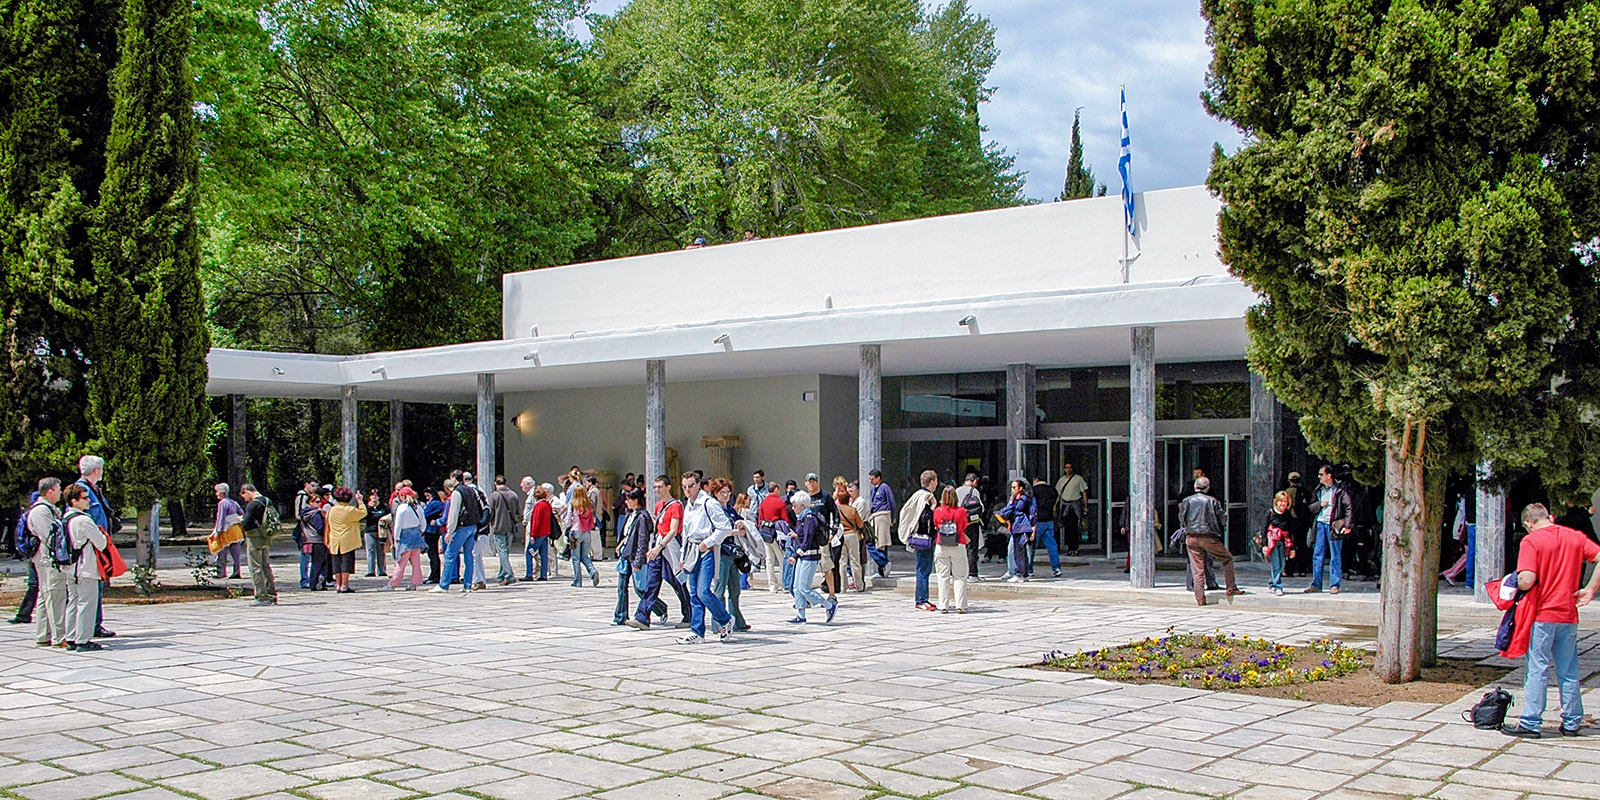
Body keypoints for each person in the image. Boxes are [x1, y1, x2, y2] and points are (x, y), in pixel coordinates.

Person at [1501, 503, 1600, 738]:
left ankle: (1531, 721)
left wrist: (1511, 581)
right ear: (1550, 517)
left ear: (1528, 523)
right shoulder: (1574, 536)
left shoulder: (1531, 541)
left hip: (1542, 615)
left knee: (1538, 669)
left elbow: (1527, 579)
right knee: (1569, 670)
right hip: (1568, 614)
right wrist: (1590, 589)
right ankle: (1572, 721)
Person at [628, 475, 693, 630]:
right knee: (651, 582)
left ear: (668, 487)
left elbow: (673, 530)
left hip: (669, 549)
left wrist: (660, 546)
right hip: (658, 547)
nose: (657, 490)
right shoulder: (658, 506)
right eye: (655, 487)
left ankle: (690, 615)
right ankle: (642, 617)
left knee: (678, 582)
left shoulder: (676, 506)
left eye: (660, 486)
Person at [678, 472, 736, 643]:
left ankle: (725, 619)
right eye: (685, 486)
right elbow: (686, 532)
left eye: (691, 485)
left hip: (706, 550)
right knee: (694, 593)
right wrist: (683, 555)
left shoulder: (708, 503)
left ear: (698, 485)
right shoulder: (688, 505)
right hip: (692, 549)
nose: (688, 489)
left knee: (704, 591)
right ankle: (697, 631)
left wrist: (708, 542)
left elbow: (725, 527)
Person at [60, 483, 108, 652]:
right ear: (74, 501)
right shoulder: (84, 520)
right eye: (85, 498)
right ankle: (84, 639)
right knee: (87, 603)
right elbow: (101, 543)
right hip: (85, 567)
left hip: (70, 567)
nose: (88, 501)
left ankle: (71, 637)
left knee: (73, 601)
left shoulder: (65, 518)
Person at [73, 455, 115, 639]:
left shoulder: (93, 489)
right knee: (91, 588)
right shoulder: (82, 490)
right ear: (97, 470)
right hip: (90, 545)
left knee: (97, 585)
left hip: (98, 542)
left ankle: (95, 624)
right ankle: (92, 626)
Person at [1181, 476, 1240, 606]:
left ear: (1195, 487)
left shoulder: (1187, 501)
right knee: (1227, 559)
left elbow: (1182, 518)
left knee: (1197, 568)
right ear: (1207, 488)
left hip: (1192, 537)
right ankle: (1231, 587)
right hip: (1209, 536)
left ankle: (1200, 598)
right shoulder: (1212, 501)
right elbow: (1222, 517)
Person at [616, 487, 669, 626]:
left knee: (640, 588)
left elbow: (642, 540)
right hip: (626, 554)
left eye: (629, 500)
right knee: (622, 586)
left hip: (634, 556)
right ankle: (620, 616)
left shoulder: (643, 517)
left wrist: (639, 562)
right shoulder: (631, 515)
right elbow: (627, 534)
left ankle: (660, 608)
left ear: (636, 500)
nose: (627, 503)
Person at [26, 478, 67, 646]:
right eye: (58, 489)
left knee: (45, 596)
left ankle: (43, 635)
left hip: (45, 558)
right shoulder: (41, 511)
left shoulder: (47, 509)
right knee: (54, 595)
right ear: (50, 491)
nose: (60, 493)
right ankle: (59, 636)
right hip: (48, 559)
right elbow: (51, 538)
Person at [785, 491, 837, 624]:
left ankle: (829, 606)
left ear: (802, 505)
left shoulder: (809, 518)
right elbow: (804, 537)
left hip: (810, 556)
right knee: (796, 587)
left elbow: (808, 540)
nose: (793, 508)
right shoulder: (801, 518)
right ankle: (801, 615)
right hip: (804, 556)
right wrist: (796, 536)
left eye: (795, 505)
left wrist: (795, 556)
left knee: (804, 588)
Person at [1304, 464, 1350, 594]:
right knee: (1317, 554)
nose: (1319, 477)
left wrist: (1347, 525)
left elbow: (1348, 507)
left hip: (1333, 524)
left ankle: (1334, 584)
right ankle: (1316, 584)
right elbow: (1311, 507)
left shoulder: (1340, 490)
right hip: (1320, 523)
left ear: (1329, 476)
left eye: (1321, 474)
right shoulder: (1319, 490)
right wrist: (1319, 504)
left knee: (1335, 555)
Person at [710, 480, 749, 632]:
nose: (725, 495)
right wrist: (736, 531)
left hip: (733, 553)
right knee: (719, 590)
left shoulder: (731, 510)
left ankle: (737, 621)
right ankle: (718, 623)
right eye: (722, 493)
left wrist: (741, 526)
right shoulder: (714, 510)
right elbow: (716, 531)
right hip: (721, 552)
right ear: (715, 494)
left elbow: (742, 526)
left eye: (727, 492)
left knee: (735, 589)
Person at [899, 470, 940, 609]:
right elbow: (924, 517)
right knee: (923, 569)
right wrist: (933, 507)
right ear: (932, 482)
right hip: (923, 538)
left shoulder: (917, 495)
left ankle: (923, 598)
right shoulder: (925, 496)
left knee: (924, 569)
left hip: (923, 538)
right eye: (936, 481)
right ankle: (921, 600)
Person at [432, 477, 481, 593]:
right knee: (468, 556)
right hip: (472, 525)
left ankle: (444, 585)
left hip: (462, 527)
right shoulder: (471, 490)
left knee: (449, 555)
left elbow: (453, 513)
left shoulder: (457, 492)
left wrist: (449, 531)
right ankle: (467, 585)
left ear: (453, 478)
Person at [932, 486, 970, 613]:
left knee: (942, 576)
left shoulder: (938, 510)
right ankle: (960, 605)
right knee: (960, 576)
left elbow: (936, 524)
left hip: (941, 544)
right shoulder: (961, 511)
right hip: (958, 543)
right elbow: (964, 526)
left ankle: (943, 605)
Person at [239, 484, 278, 606]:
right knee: (266, 565)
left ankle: (261, 596)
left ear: (246, 492)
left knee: (255, 566)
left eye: (244, 496)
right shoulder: (267, 500)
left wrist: (241, 520)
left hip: (254, 537)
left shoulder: (253, 504)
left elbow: (247, 523)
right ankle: (272, 595)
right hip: (266, 536)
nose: (245, 499)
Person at [382, 488, 427, 591]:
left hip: (404, 536)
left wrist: (396, 539)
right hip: (415, 535)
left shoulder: (402, 508)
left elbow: (397, 525)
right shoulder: (417, 507)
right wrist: (420, 531)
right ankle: (415, 583)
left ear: (402, 496)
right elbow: (423, 523)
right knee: (416, 562)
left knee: (400, 561)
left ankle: (393, 583)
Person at [324, 487, 367, 593]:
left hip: (334, 539)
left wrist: (327, 539)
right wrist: (360, 501)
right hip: (347, 539)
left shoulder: (331, 510)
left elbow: (327, 525)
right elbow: (363, 513)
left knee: (336, 563)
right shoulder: (350, 510)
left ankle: (337, 584)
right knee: (346, 563)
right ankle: (344, 584)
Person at [1256, 491, 1296, 596]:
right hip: (1272, 541)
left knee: (1282, 564)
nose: (1283, 504)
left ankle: (1271, 583)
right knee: (1276, 564)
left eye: (1285, 502)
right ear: (1276, 502)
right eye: (1281, 501)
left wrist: (1292, 548)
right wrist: (1264, 545)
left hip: (1283, 542)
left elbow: (1291, 531)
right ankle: (1278, 586)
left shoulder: (1288, 514)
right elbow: (1264, 529)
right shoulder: (1270, 513)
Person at [485, 475, 522, 587]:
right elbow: (518, 511)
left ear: (496, 483)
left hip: (498, 526)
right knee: (505, 552)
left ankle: (509, 575)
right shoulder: (513, 495)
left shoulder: (494, 496)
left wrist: (488, 523)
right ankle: (502, 575)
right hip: (510, 526)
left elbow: (490, 512)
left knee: (502, 552)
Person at [997, 480, 1037, 583]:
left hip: (1021, 527)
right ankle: (1024, 573)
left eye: (1015, 487)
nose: (1012, 490)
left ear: (1021, 488)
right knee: (1019, 551)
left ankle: (1020, 573)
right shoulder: (1019, 498)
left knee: (1019, 551)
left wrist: (1033, 528)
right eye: (1012, 487)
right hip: (1017, 527)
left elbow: (1013, 509)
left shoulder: (1023, 499)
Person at [757, 483, 790, 593]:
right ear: (776, 489)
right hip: (776, 532)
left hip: (766, 533)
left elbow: (760, 519)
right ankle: (785, 583)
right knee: (782, 558)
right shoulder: (780, 502)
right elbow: (785, 519)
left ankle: (772, 585)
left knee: (769, 560)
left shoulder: (763, 502)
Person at [566, 487, 601, 587]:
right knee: (585, 556)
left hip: (576, 532)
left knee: (576, 558)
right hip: (587, 532)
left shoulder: (573, 504)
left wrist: (566, 527)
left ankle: (578, 581)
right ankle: (593, 571)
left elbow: (568, 519)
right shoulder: (589, 504)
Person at [211, 483, 246, 580]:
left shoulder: (222, 503)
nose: (216, 494)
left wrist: (218, 531)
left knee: (221, 552)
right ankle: (237, 572)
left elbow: (221, 518)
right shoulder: (234, 502)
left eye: (217, 491)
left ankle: (221, 572)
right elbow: (242, 514)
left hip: (226, 530)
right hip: (236, 530)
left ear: (221, 493)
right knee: (236, 554)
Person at [836, 484, 867, 592]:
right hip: (852, 535)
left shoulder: (837, 510)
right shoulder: (853, 510)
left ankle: (843, 586)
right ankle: (859, 585)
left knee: (842, 562)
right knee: (855, 561)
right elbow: (860, 524)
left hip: (841, 535)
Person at [299, 489, 332, 590]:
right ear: (310, 502)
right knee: (319, 563)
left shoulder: (304, 513)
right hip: (317, 540)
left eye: (320, 501)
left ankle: (314, 583)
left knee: (315, 562)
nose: (319, 503)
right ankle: (315, 584)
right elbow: (320, 528)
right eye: (317, 501)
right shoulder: (315, 514)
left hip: (307, 540)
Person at [1055, 462, 1089, 557]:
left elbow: (1084, 492)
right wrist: (1055, 505)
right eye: (1066, 467)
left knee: (1074, 527)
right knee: (1066, 527)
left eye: (1070, 467)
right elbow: (1059, 494)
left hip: (1075, 505)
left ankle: (1075, 548)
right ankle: (1069, 548)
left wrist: (1086, 505)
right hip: (1065, 505)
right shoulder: (1061, 480)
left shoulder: (1078, 479)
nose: (1068, 469)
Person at [1030, 476, 1062, 577]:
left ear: (1036, 480)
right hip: (1049, 519)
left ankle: (1029, 569)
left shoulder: (1033, 490)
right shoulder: (1052, 490)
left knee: (1031, 546)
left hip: (1037, 521)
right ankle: (1056, 568)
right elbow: (1057, 499)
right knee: (1052, 545)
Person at [523, 481, 555, 581]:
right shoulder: (547, 504)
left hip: (538, 533)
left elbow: (535, 521)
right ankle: (543, 574)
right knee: (543, 554)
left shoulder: (538, 506)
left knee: (529, 552)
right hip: (546, 532)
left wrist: (532, 535)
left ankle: (529, 574)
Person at [868, 470, 897, 557]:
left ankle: (884, 564)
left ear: (878, 478)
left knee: (882, 541)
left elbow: (891, 502)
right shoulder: (873, 489)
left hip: (883, 515)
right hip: (875, 516)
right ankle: (881, 567)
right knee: (876, 541)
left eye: (872, 479)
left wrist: (893, 518)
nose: (870, 481)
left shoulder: (884, 487)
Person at [294, 480, 317, 588]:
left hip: (310, 530)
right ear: (306, 484)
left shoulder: (308, 496)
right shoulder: (302, 496)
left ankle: (312, 578)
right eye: (312, 485)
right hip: (304, 531)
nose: (314, 488)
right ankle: (304, 579)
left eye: (316, 486)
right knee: (305, 556)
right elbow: (298, 514)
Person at [363, 489, 389, 577]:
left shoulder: (383, 506)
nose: (374, 497)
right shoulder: (367, 507)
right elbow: (364, 517)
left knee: (381, 551)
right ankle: (370, 571)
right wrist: (369, 507)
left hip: (381, 531)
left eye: (376, 495)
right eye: (372, 495)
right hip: (370, 531)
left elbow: (389, 515)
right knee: (370, 551)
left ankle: (381, 570)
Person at [421, 488, 445, 584]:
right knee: (433, 554)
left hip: (431, 530)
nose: (427, 498)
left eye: (428, 496)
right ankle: (434, 574)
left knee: (432, 554)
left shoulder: (434, 503)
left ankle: (434, 575)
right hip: (433, 530)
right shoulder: (437, 503)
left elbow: (425, 514)